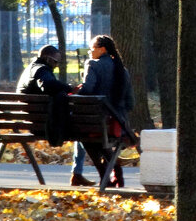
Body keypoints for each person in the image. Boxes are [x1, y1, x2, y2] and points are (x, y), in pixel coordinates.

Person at [76, 35, 134, 188]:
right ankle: (114, 171)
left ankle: (104, 174)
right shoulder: (123, 70)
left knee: (84, 136)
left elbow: (88, 89)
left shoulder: (93, 64)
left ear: (102, 50)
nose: (90, 52)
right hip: (117, 125)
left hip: (95, 123)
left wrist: (75, 96)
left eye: (92, 49)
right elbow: (130, 102)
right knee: (98, 139)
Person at [17, 45, 74, 150]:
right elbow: (48, 85)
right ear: (47, 58)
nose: (56, 65)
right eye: (55, 62)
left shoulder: (31, 68)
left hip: (31, 120)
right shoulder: (41, 70)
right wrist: (69, 88)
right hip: (42, 124)